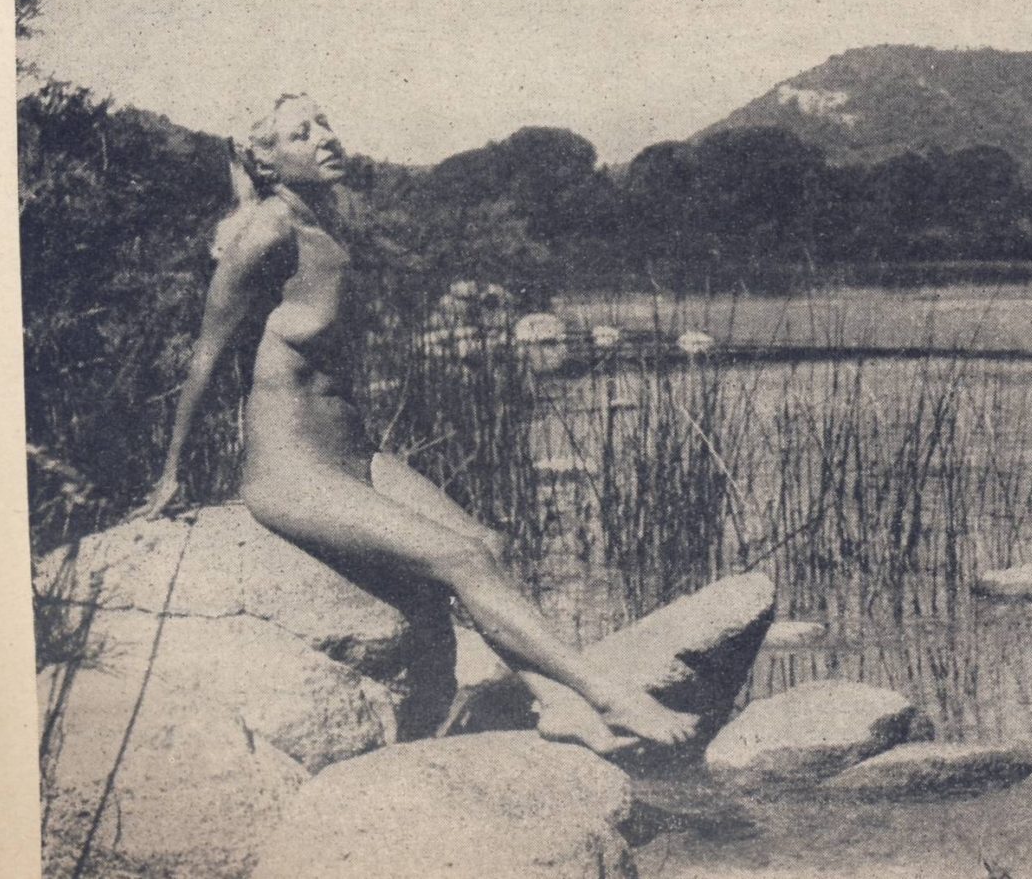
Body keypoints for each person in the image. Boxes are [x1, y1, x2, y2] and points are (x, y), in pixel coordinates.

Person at [130, 92, 693, 755]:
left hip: (355, 455)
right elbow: (205, 354)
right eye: (301, 133)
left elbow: (266, 204)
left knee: (485, 543)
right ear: (270, 161)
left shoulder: (328, 220)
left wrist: (247, 175)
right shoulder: (266, 233)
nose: (325, 137)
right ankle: (608, 694)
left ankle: (555, 703)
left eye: (324, 122)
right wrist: (172, 472)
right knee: (460, 559)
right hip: (292, 466)